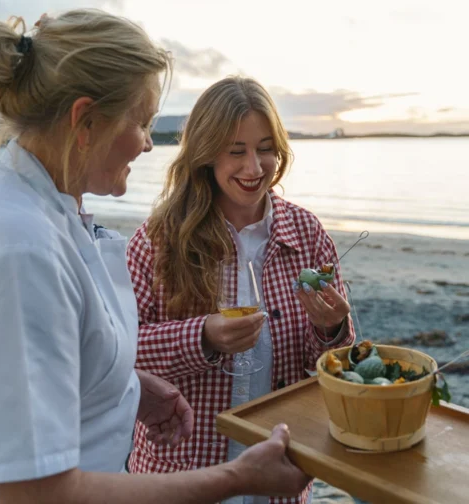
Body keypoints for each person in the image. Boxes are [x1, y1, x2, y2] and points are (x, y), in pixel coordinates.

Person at [0, 11, 310, 504]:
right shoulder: (23, 244)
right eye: (141, 122)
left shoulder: (53, 211)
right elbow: (34, 493)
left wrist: (129, 385)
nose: (145, 143)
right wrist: (237, 479)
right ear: (84, 120)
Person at [126, 76, 356, 504]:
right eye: (236, 152)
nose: (254, 168)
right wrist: (202, 336)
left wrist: (332, 329)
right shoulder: (156, 240)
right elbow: (118, 353)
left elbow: (329, 367)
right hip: (179, 478)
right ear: (205, 154)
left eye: (265, 148)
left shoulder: (306, 233)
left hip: (279, 483)